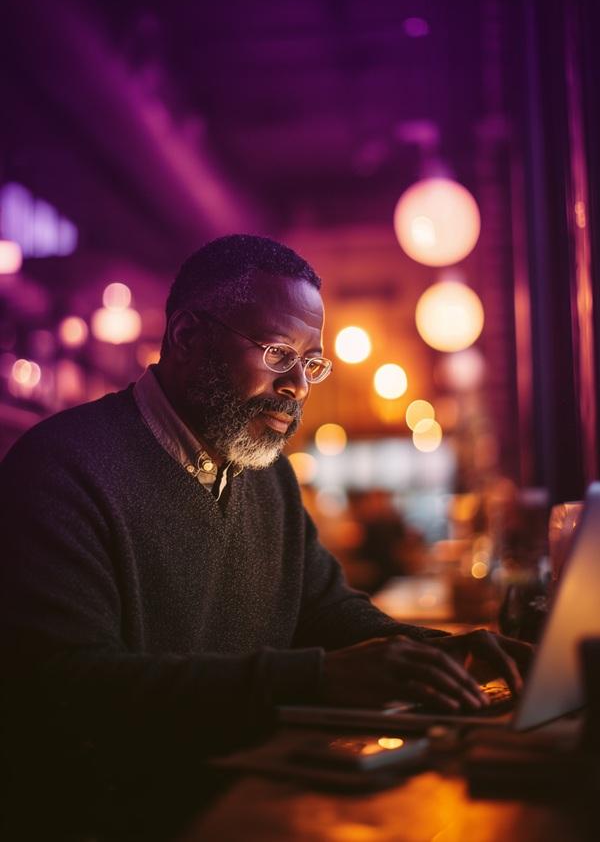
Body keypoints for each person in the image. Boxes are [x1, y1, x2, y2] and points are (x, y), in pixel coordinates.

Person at [0, 235, 530, 791]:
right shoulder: (61, 467)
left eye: (310, 363)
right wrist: (314, 677)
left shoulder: (266, 474)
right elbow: (67, 684)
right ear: (187, 336)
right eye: (278, 353)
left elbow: (327, 613)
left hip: (243, 790)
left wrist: (446, 651)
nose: (297, 386)